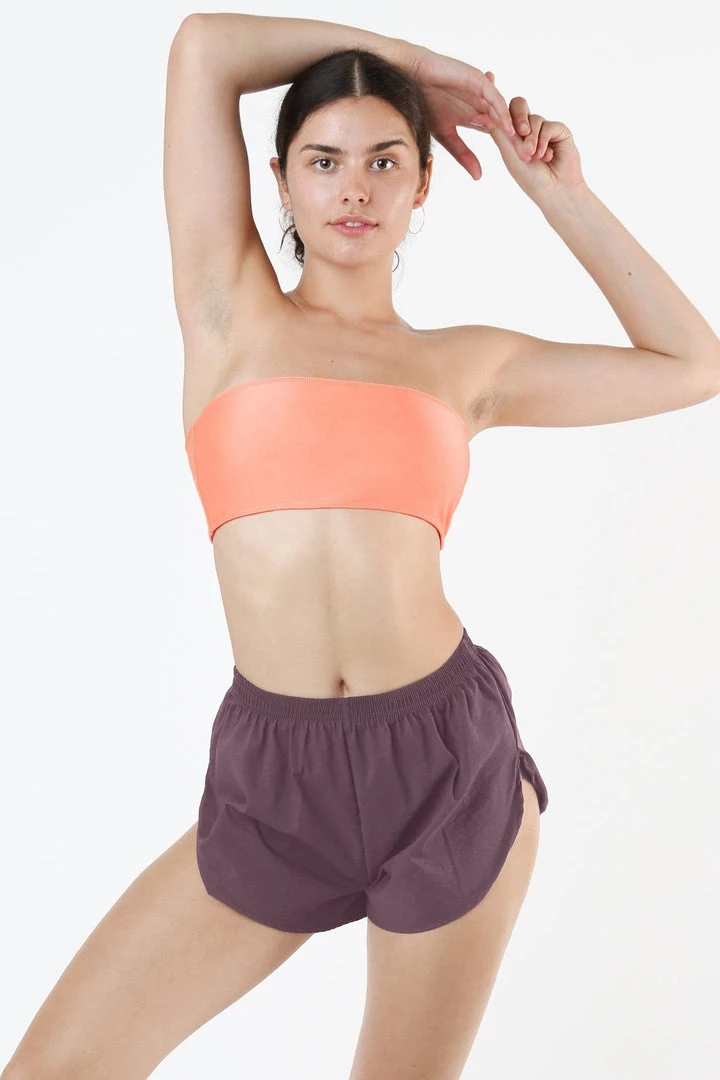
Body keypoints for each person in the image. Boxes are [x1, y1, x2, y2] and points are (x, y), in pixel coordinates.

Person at [4, 12, 719, 1080]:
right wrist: (420, 71)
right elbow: (203, 46)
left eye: (386, 160)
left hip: (445, 766)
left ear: (424, 184)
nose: (355, 188)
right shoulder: (226, 311)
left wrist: (559, 194)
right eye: (324, 160)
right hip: (273, 779)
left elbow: (690, 363)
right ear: (280, 181)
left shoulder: (466, 366)